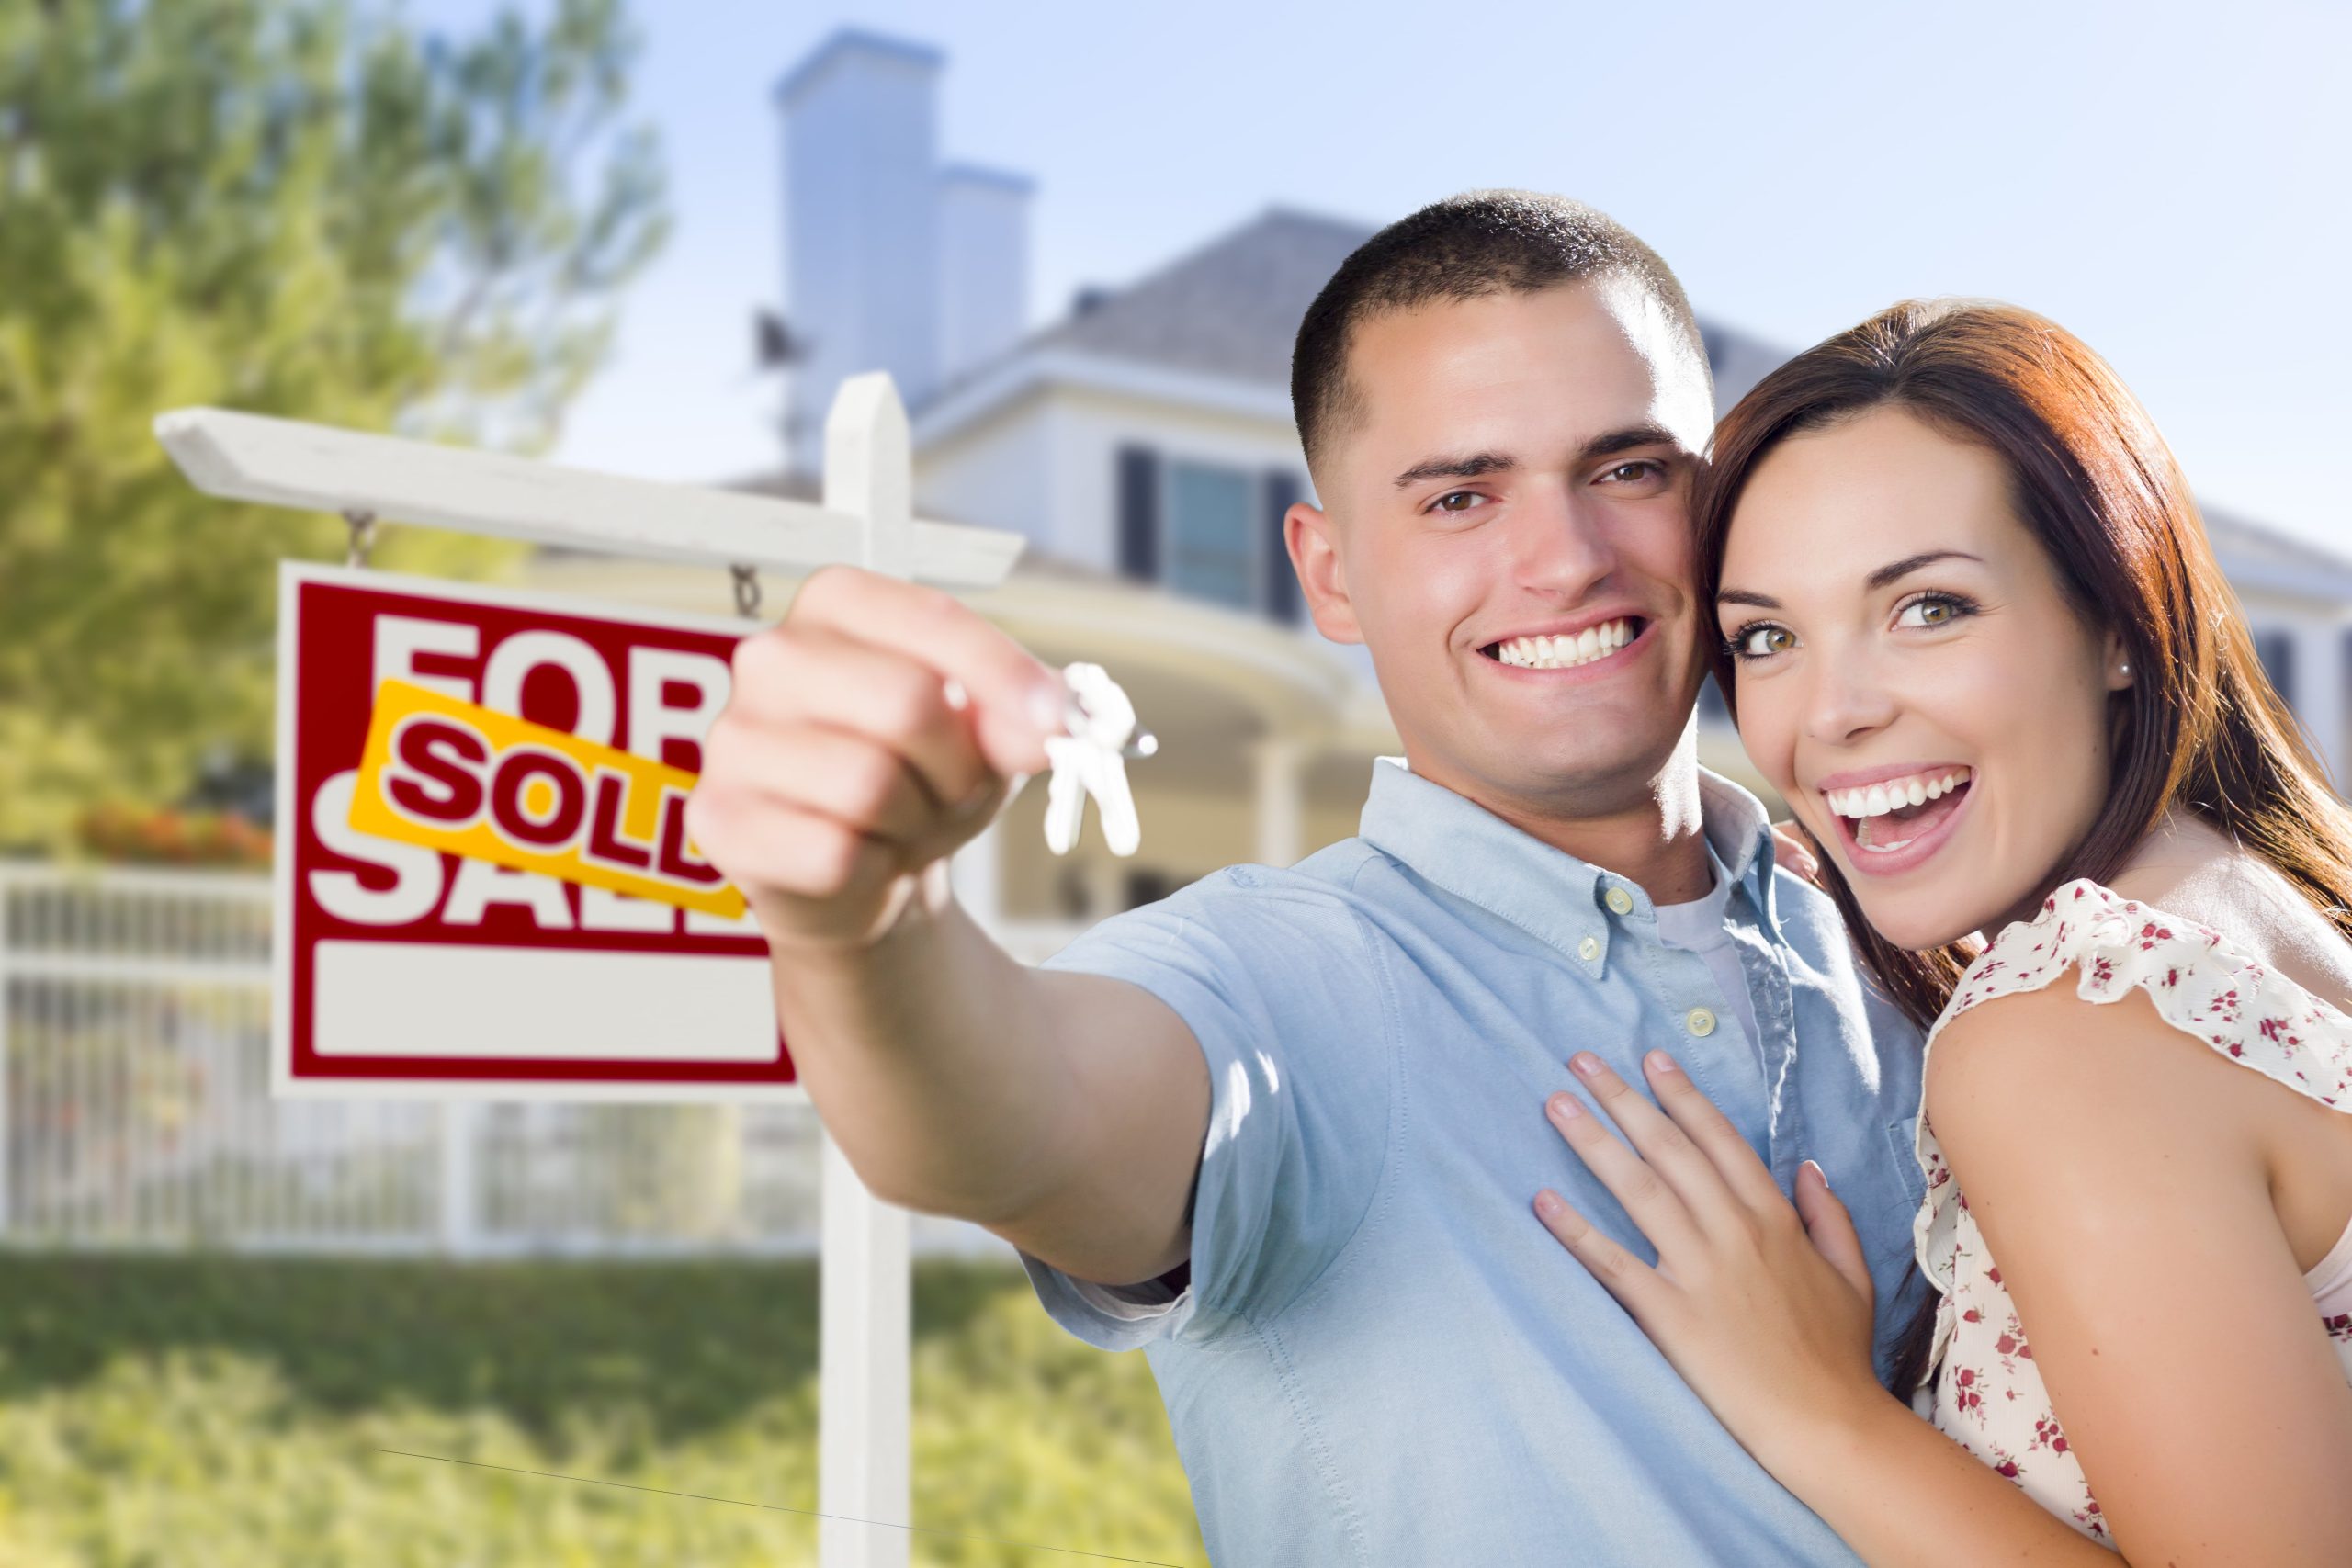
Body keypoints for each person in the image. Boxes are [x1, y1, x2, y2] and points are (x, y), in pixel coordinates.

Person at [687, 191, 1928, 1564]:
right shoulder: (1279, 978)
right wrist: (865, 928)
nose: (1567, 558)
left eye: (1630, 470)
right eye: (1461, 495)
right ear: (1329, 576)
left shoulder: (1898, 943)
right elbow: (1019, 1122)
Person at [1529, 299, 2352, 1563]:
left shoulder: (2069, 1032)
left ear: (2117, 619)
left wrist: (1817, 1410)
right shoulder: (2257, 903)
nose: (1832, 716)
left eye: (1930, 609)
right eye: (1768, 637)